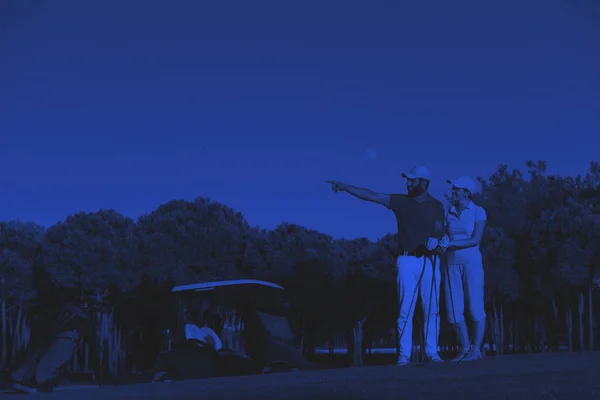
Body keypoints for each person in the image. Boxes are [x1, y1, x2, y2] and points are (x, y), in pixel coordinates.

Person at [326, 165, 446, 366]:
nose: (408, 183)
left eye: (412, 180)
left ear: (424, 183)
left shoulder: (436, 205)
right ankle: (404, 356)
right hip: (407, 260)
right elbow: (372, 195)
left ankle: (432, 353)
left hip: (431, 261)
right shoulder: (400, 201)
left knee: (431, 309)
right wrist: (346, 187)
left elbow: (439, 231)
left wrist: (436, 239)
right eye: (407, 180)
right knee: (405, 310)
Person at [439, 176, 487, 362]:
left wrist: (451, 242)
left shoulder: (478, 211)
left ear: (466, 192)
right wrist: (443, 242)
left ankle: (476, 350)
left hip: (471, 262)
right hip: (450, 263)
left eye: (456, 189)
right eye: (453, 188)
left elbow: (476, 239)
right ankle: (465, 348)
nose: (453, 192)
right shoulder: (448, 212)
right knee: (453, 309)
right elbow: (444, 235)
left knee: (475, 306)